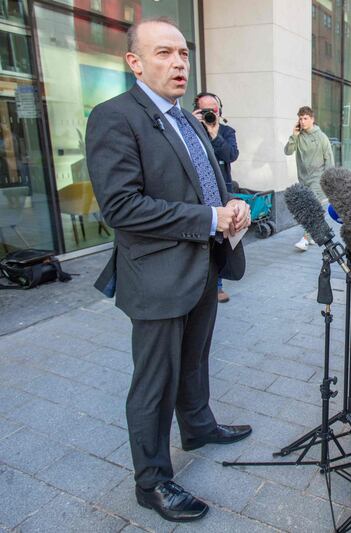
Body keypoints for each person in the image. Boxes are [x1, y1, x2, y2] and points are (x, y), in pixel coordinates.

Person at [85, 18, 252, 523]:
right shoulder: (114, 117)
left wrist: (231, 205)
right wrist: (207, 217)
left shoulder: (187, 119)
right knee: (155, 382)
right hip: (156, 275)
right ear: (134, 62)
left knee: (196, 358)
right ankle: (152, 481)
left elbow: (205, 182)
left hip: (204, 264)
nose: (179, 62)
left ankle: (198, 426)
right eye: (164, 53)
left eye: (182, 53)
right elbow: (121, 207)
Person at [193, 91, 239, 302]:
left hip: (221, 192)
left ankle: (218, 284)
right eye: (205, 111)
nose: (210, 114)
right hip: (196, 193)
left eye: (214, 110)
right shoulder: (190, 131)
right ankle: (198, 282)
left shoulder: (227, 131)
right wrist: (192, 125)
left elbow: (231, 155)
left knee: (220, 239)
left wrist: (214, 134)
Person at [284, 105, 334, 251]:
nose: (303, 121)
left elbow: (329, 159)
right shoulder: (298, 137)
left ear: (312, 119)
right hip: (303, 178)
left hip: (318, 179)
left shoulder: (321, 137)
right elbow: (288, 151)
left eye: (305, 118)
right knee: (310, 208)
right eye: (300, 119)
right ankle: (314, 234)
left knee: (312, 208)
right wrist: (293, 135)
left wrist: (329, 180)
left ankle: (305, 239)